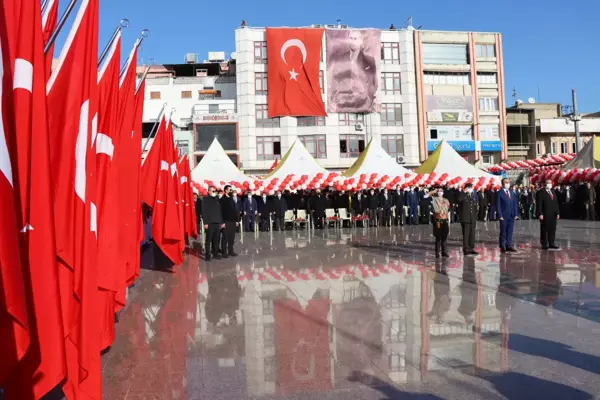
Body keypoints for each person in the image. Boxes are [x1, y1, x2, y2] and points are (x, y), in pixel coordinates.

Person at [328, 30, 378, 112]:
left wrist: (368, 101)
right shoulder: (340, 59)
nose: (352, 41)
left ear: (361, 41)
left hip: (363, 103)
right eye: (351, 38)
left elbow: (373, 83)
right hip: (343, 103)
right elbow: (334, 81)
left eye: (355, 39)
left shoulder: (369, 60)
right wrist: (333, 100)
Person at [536, 179, 560, 250]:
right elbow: (539, 204)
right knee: (545, 229)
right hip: (545, 214)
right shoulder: (540, 192)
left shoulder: (552, 191)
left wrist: (558, 212)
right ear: (545, 184)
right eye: (548, 183)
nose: (549, 184)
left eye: (550, 183)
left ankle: (551, 243)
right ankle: (544, 243)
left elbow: (556, 203)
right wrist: (540, 213)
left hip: (553, 214)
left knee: (552, 229)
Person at [496, 178, 519, 253]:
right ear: (502, 183)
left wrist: (515, 214)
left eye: (508, 182)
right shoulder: (499, 193)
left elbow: (515, 204)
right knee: (503, 231)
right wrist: (500, 215)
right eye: (506, 182)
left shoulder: (512, 193)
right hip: (503, 215)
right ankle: (502, 245)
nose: (507, 184)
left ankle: (508, 245)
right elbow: (498, 205)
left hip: (511, 215)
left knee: (510, 231)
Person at [202, 186, 224, 261]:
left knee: (216, 239)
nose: (214, 192)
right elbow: (204, 212)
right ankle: (207, 254)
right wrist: (205, 223)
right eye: (212, 191)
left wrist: (221, 222)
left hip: (217, 222)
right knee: (209, 239)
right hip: (210, 222)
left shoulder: (217, 199)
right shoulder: (205, 199)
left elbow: (220, 211)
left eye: (215, 191)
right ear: (209, 191)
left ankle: (215, 253)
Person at [458, 183, 479, 256]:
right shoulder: (462, 195)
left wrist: (475, 216)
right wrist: (464, 192)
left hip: (472, 218)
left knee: (472, 234)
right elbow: (459, 200)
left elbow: (475, 206)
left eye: (472, 187)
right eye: (469, 187)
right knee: (466, 234)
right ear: (466, 188)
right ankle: (466, 249)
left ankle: (471, 248)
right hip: (465, 218)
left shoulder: (473, 196)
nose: (471, 189)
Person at [219, 185, 239, 258]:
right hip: (226, 221)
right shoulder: (222, 200)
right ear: (225, 190)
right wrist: (222, 222)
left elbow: (234, 210)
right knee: (225, 237)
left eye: (231, 190)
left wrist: (236, 220)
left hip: (233, 221)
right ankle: (224, 252)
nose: (231, 191)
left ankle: (231, 250)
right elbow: (220, 212)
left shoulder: (231, 199)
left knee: (232, 237)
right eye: (230, 190)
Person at [431, 186, 450, 258]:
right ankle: (437, 253)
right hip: (438, 220)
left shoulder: (446, 200)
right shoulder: (434, 199)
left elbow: (448, 208)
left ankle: (444, 252)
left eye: (441, 191)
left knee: (444, 237)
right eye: (438, 191)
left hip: (445, 219)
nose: (440, 192)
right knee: (438, 237)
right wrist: (433, 191)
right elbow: (425, 196)